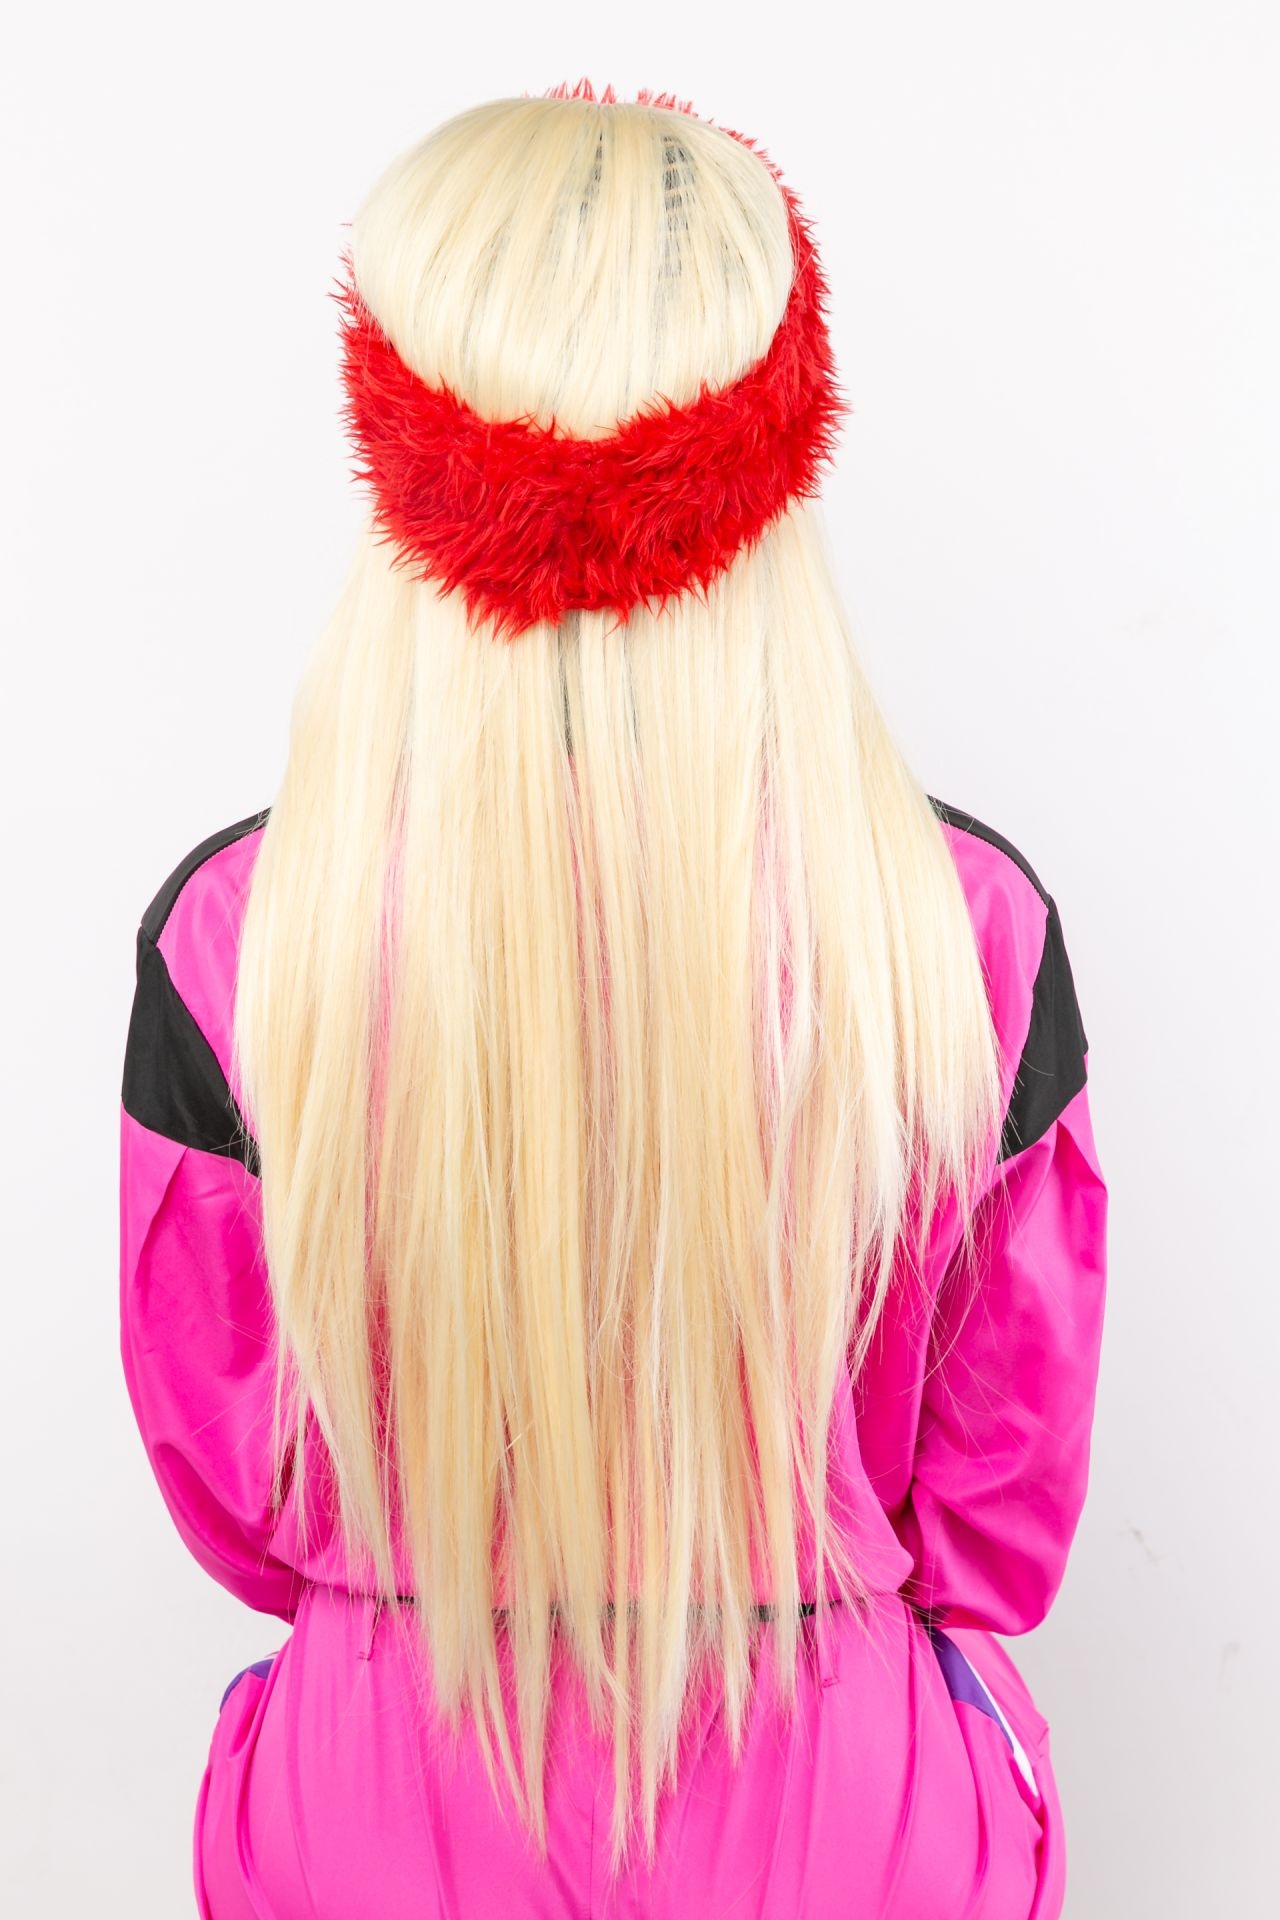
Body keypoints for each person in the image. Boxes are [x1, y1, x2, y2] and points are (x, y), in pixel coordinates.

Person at [118, 80, 1108, 1920]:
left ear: (400, 451)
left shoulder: (242, 935)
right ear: (776, 452)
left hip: (378, 1783)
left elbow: (241, 1503)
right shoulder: (962, 929)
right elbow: (998, 1519)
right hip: (846, 1818)